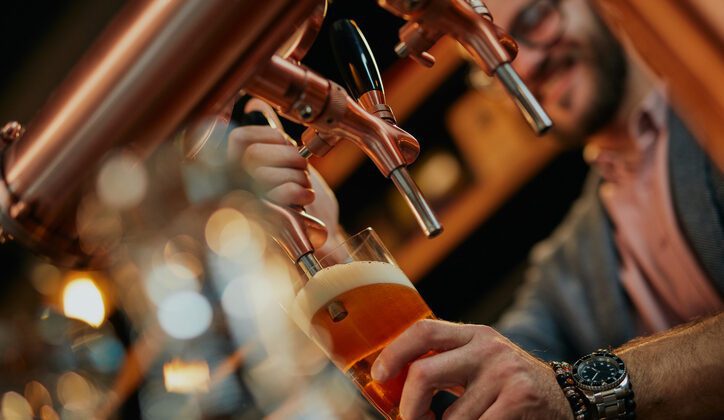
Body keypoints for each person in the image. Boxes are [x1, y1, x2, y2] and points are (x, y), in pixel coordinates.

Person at [228, 0, 724, 417]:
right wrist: (332, 249)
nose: (526, 64)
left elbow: (562, 393)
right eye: (491, 66)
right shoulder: (574, 255)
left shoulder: (711, 100)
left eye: (534, 21)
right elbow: (463, 397)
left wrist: (585, 393)